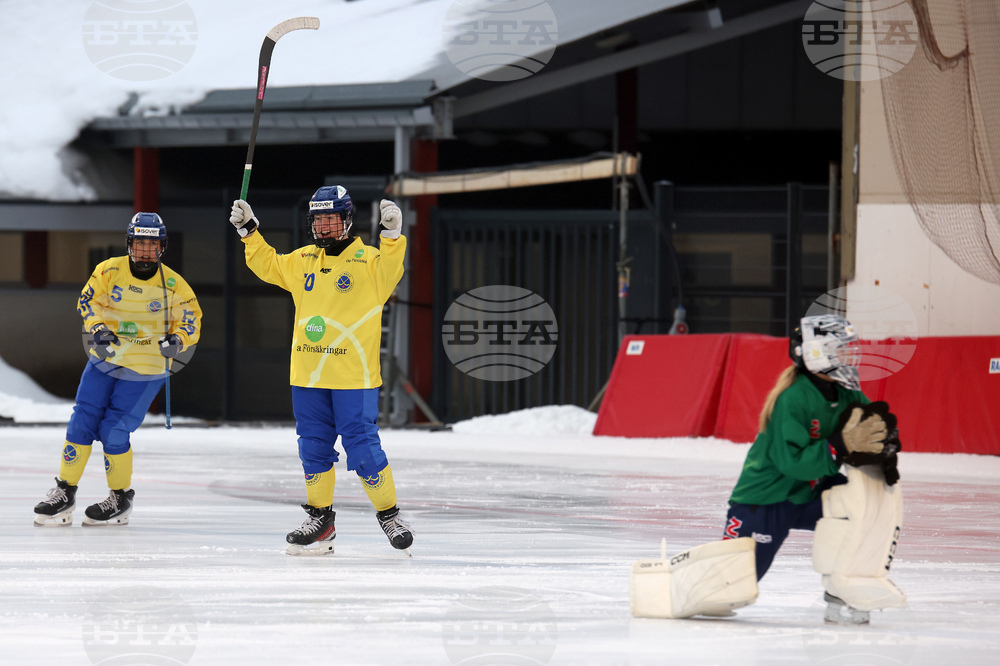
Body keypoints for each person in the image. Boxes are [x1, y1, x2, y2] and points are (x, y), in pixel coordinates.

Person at [229, 186, 413, 556]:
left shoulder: (370, 261)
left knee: (362, 448)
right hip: (309, 374)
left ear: (347, 220)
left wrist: (392, 236)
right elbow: (268, 264)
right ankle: (321, 521)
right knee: (312, 448)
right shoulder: (303, 260)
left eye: (331, 218)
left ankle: (390, 515)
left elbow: (393, 269)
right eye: (318, 219)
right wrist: (249, 231)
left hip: (353, 377)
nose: (325, 226)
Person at [722, 313, 901, 622]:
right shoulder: (792, 398)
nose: (848, 356)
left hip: (810, 492)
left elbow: (870, 426)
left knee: (858, 508)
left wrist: (884, 448)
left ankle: (842, 587)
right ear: (818, 353)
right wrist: (839, 445)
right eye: (840, 349)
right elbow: (793, 464)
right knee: (728, 590)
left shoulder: (846, 392)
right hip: (765, 500)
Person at [33, 212, 202, 527]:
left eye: (152, 246)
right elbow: (88, 302)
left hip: (146, 367)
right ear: (129, 244)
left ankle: (120, 498)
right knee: (83, 419)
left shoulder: (174, 284)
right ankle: (65, 491)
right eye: (140, 244)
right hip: (105, 358)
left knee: (114, 429)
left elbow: (191, 321)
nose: (145, 252)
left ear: (162, 247)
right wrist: (98, 327)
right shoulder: (108, 270)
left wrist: (178, 340)